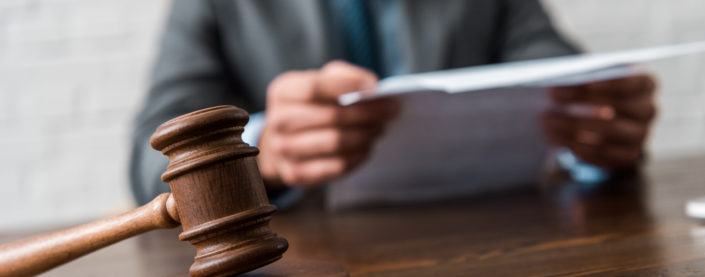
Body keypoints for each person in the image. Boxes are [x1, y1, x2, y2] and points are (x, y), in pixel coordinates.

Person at [130, 0, 656, 206]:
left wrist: (599, 134)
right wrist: (261, 156)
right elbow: (147, 161)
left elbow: (565, 77)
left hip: (488, 262)